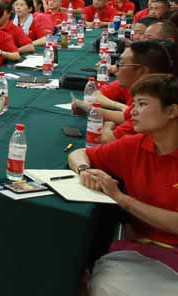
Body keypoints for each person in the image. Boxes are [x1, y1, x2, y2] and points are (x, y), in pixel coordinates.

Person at [67, 74, 178, 295]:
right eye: (133, 103)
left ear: (172, 111)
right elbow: (78, 154)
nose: (132, 111)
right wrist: (84, 170)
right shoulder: (134, 146)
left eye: (142, 104)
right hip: (144, 251)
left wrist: (121, 198)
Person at [72, 40, 173, 143]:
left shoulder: (151, 105)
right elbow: (123, 116)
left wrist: (107, 124)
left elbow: (107, 139)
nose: (116, 69)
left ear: (142, 71)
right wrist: (89, 109)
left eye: (121, 64)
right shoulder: (148, 90)